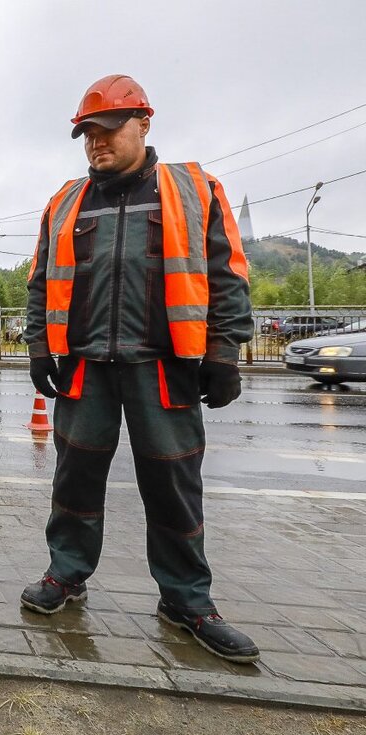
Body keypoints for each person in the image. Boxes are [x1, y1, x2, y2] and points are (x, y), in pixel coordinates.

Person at [21, 75, 258, 664]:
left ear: (143, 125)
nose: (95, 143)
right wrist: (36, 347)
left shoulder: (194, 189)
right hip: (85, 369)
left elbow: (228, 275)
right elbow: (37, 284)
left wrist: (225, 352)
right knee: (74, 479)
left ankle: (187, 600)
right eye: (86, 135)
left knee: (173, 486)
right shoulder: (65, 201)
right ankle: (66, 574)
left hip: (164, 367)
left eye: (106, 131)